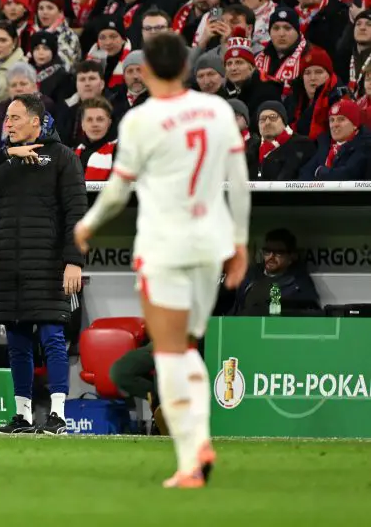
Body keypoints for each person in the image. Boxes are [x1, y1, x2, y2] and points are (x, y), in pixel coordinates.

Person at [75, 31, 252, 489]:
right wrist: (240, 241)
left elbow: (118, 189)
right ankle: (200, 442)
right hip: (210, 245)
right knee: (188, 347)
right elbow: (239, 180)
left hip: (163, 247)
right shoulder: (217, 111)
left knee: (169, 353)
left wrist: (88, 223)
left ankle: (192, 456)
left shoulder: (140, 120)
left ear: (148, 70)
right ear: (188, 68)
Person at [0, 93, 87, 436]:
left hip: (49, 266)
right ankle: (23, 416)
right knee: (16, 342)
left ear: (36, 121)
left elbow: (76, 214)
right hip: (11, 268)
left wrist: (74, 261)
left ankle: (59, 415)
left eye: (15, 118)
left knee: (52, 337)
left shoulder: (63, 158)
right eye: (6, 118)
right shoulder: (0, 163)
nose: (8, 124)